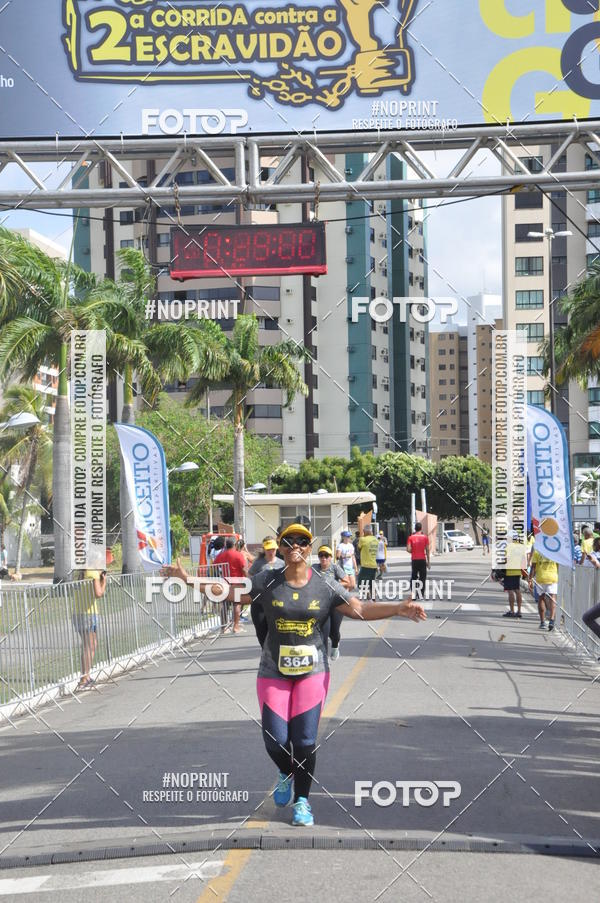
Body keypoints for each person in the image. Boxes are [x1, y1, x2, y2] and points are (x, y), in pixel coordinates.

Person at [161, 523, 426, 827]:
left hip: (313, 672)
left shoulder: (325, 585)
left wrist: (397, 609)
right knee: (275, 739)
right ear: (281, 547)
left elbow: (360, 609)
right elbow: (230, 592)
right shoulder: (267, 580)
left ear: (310, 547)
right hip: (273, 670)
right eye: (288, 542)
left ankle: (302, 801)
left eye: (302, 541)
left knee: (303, 740)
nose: (295, 546)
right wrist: (188, 579)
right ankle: (286, 771)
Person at [72, 569, 106, 690]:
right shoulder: (93, 573)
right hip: (89, 614)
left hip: (77, 612)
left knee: (90, 645)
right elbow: (99, 593)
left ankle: (86, 675)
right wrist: (104, 581)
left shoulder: (77, 572)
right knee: (89, 646)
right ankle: (84, 677)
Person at [315, 544, 351, 660]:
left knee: (334, 632)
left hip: (336, 604)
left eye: (326, 555)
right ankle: (323, 659)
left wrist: (332, 585)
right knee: (323, 633)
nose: (324, 558)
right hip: (321, 605)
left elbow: (348, 582)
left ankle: (335, 646)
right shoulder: (314, 568)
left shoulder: (335, 568)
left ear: (330, 557)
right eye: (321, 555)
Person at [249, 537, 286, 646]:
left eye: (273, 549)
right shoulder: (258, 564)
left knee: (278, 634)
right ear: (264, 549)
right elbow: (250, 580)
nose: (271, 552)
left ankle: (275, 656)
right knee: (262, 634)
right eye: (269, 549)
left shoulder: (282, 563)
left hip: (277, 604)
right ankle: (266, 655)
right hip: (259, 604)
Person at [214, 538, 249, 633]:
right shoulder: (238, 555)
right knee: (236, 604)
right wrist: (248, 579)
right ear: (234, 545)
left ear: (226, 545)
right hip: (237, 583)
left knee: (225, 606)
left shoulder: (221, 555)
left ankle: (223, 628)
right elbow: (244, 569)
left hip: (225, 583)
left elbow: (214, 566)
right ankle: (236, 627)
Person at [529, 548, 558, 630]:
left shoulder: (538, 550)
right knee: (553, 597)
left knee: (541, 598)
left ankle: (542, 622)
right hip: (553, 577)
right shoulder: (555, 550)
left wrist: (530, 579)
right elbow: (558, 565)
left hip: (540, 577)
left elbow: (533, 566)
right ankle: (552, 619)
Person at [502, 536, 525, 619]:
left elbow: (506, 559)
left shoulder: (509, 546)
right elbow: (523, 559)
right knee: (517, 590)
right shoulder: (520, 547)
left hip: (509, 571)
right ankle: (519, 611)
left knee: (510, 591)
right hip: (518, 571)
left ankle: (512, 611)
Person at [406, 522, 430, 600]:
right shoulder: (425, 537)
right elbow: (427, 550)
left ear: (415, 528)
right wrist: (428, 562)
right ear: (421, 528)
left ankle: (413, 594)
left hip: (414, 560)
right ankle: (420, 595)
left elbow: (408, 549)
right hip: (422, 559)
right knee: (422, 577)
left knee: (414, 577)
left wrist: (414, 551)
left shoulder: (411, 537)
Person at [357, 525, 379, 598]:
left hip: (366, 565)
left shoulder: (362, 539)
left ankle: (369, 597)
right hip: (374, 565)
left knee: (360, 584)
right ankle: (374, 599)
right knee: (371, 584)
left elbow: (358, 549)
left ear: (364, 531)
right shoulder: (376, 540)